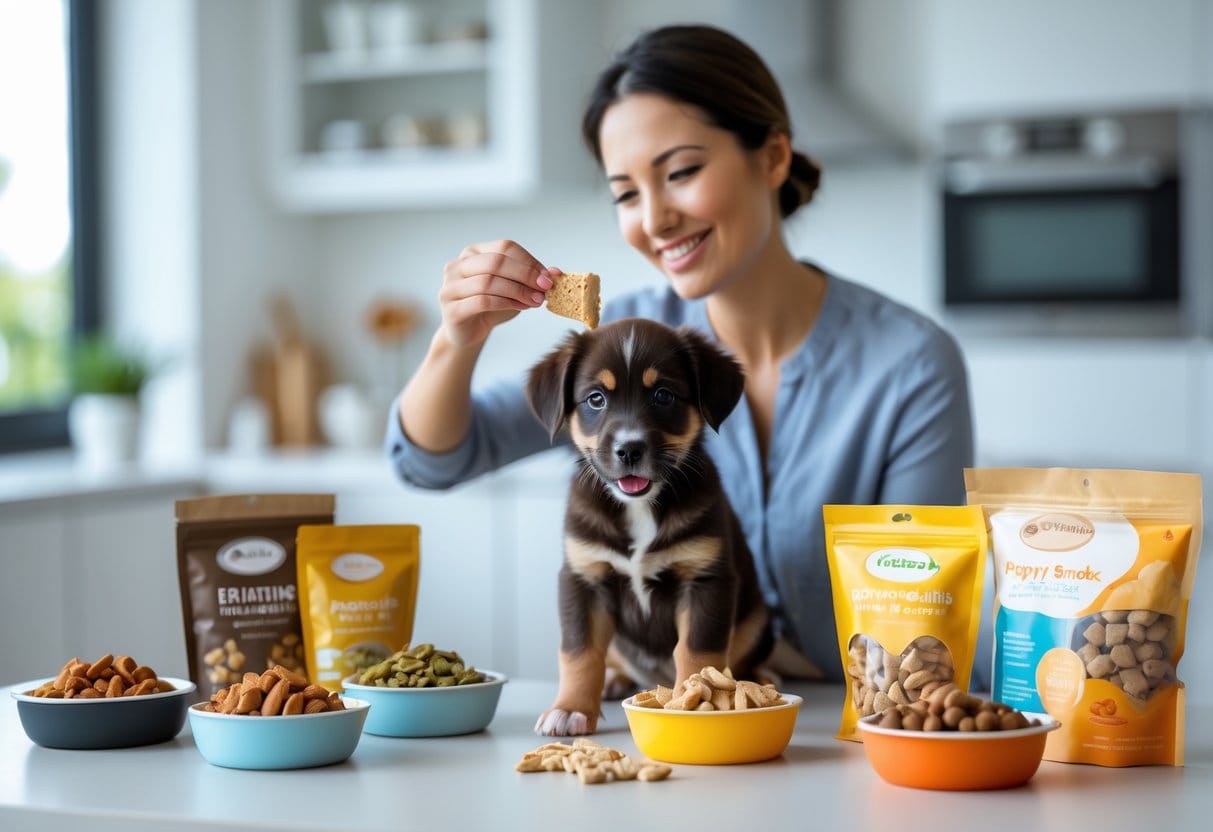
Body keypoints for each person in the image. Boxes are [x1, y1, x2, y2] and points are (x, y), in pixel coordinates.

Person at [387, 24, 985, 687]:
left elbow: (920, 609)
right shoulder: (615, 345)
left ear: (773, 158)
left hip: (846, 722)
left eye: (680, 172)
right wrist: (455, 340)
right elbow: (431, 460)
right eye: (625, 193)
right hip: (670, 731)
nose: (655, 218)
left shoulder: (908, 365)